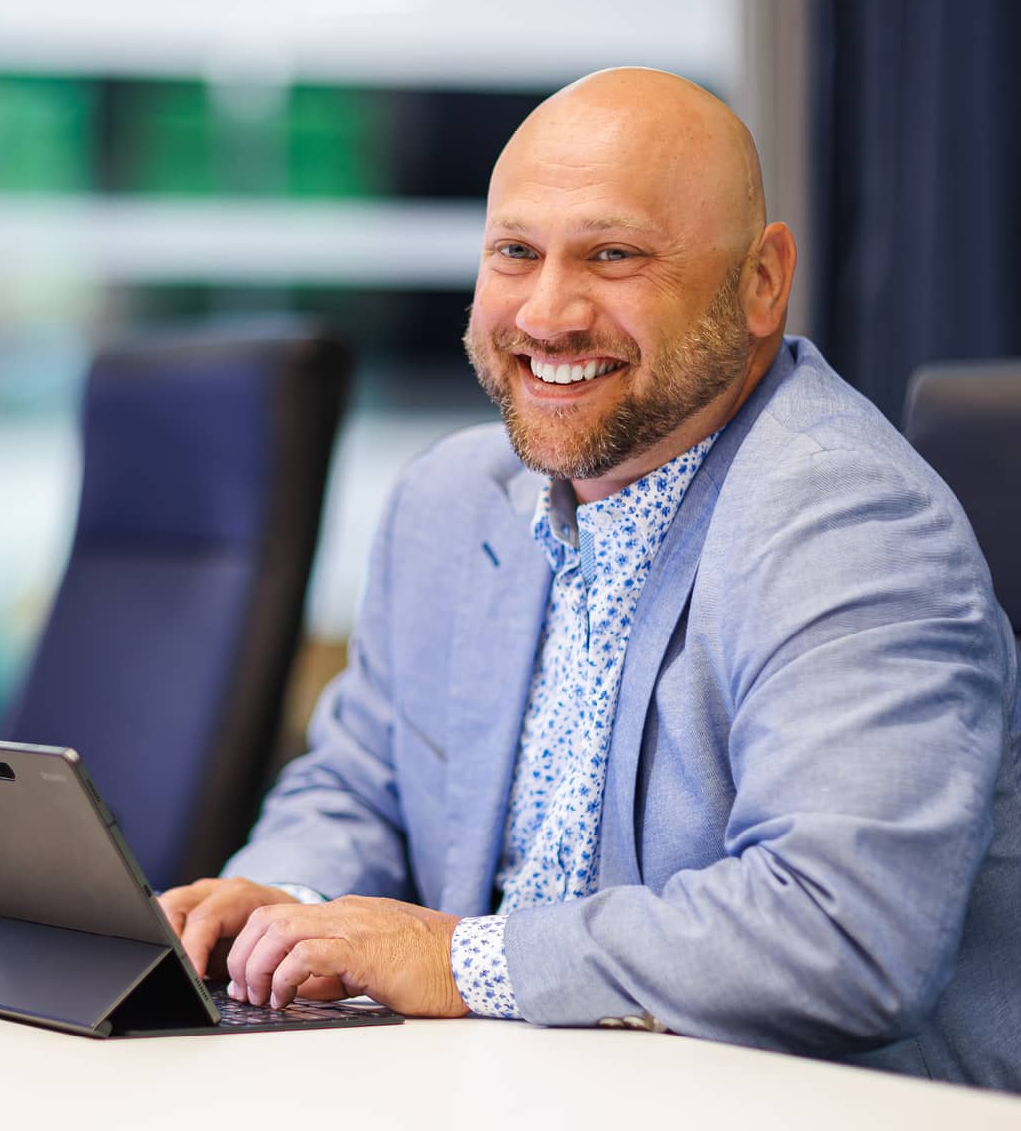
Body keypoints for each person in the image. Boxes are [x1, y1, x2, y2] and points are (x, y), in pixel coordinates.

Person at [159, 68, 1021, 1090]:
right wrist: (283, 902)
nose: (550, 314)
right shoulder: (451, 498)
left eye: (614, 256)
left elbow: (840, 932)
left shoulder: (848, 523)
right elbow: (363, 786)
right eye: (516, 254)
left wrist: (457, 960)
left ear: (760, 282)